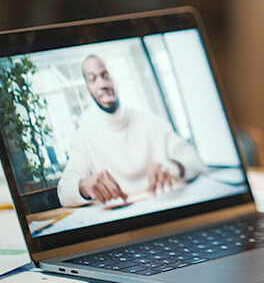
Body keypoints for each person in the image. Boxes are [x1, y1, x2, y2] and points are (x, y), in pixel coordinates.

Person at [57, 55, 207, 207]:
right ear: (88, 89)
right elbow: (63, 193)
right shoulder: (84, 136)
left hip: (164, 210)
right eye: (93, 79)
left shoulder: (150, 121)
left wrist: (174, 167)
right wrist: (83, 186)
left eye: (106, 76)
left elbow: (196, 162)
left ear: (115, 81)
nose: (102, 84)